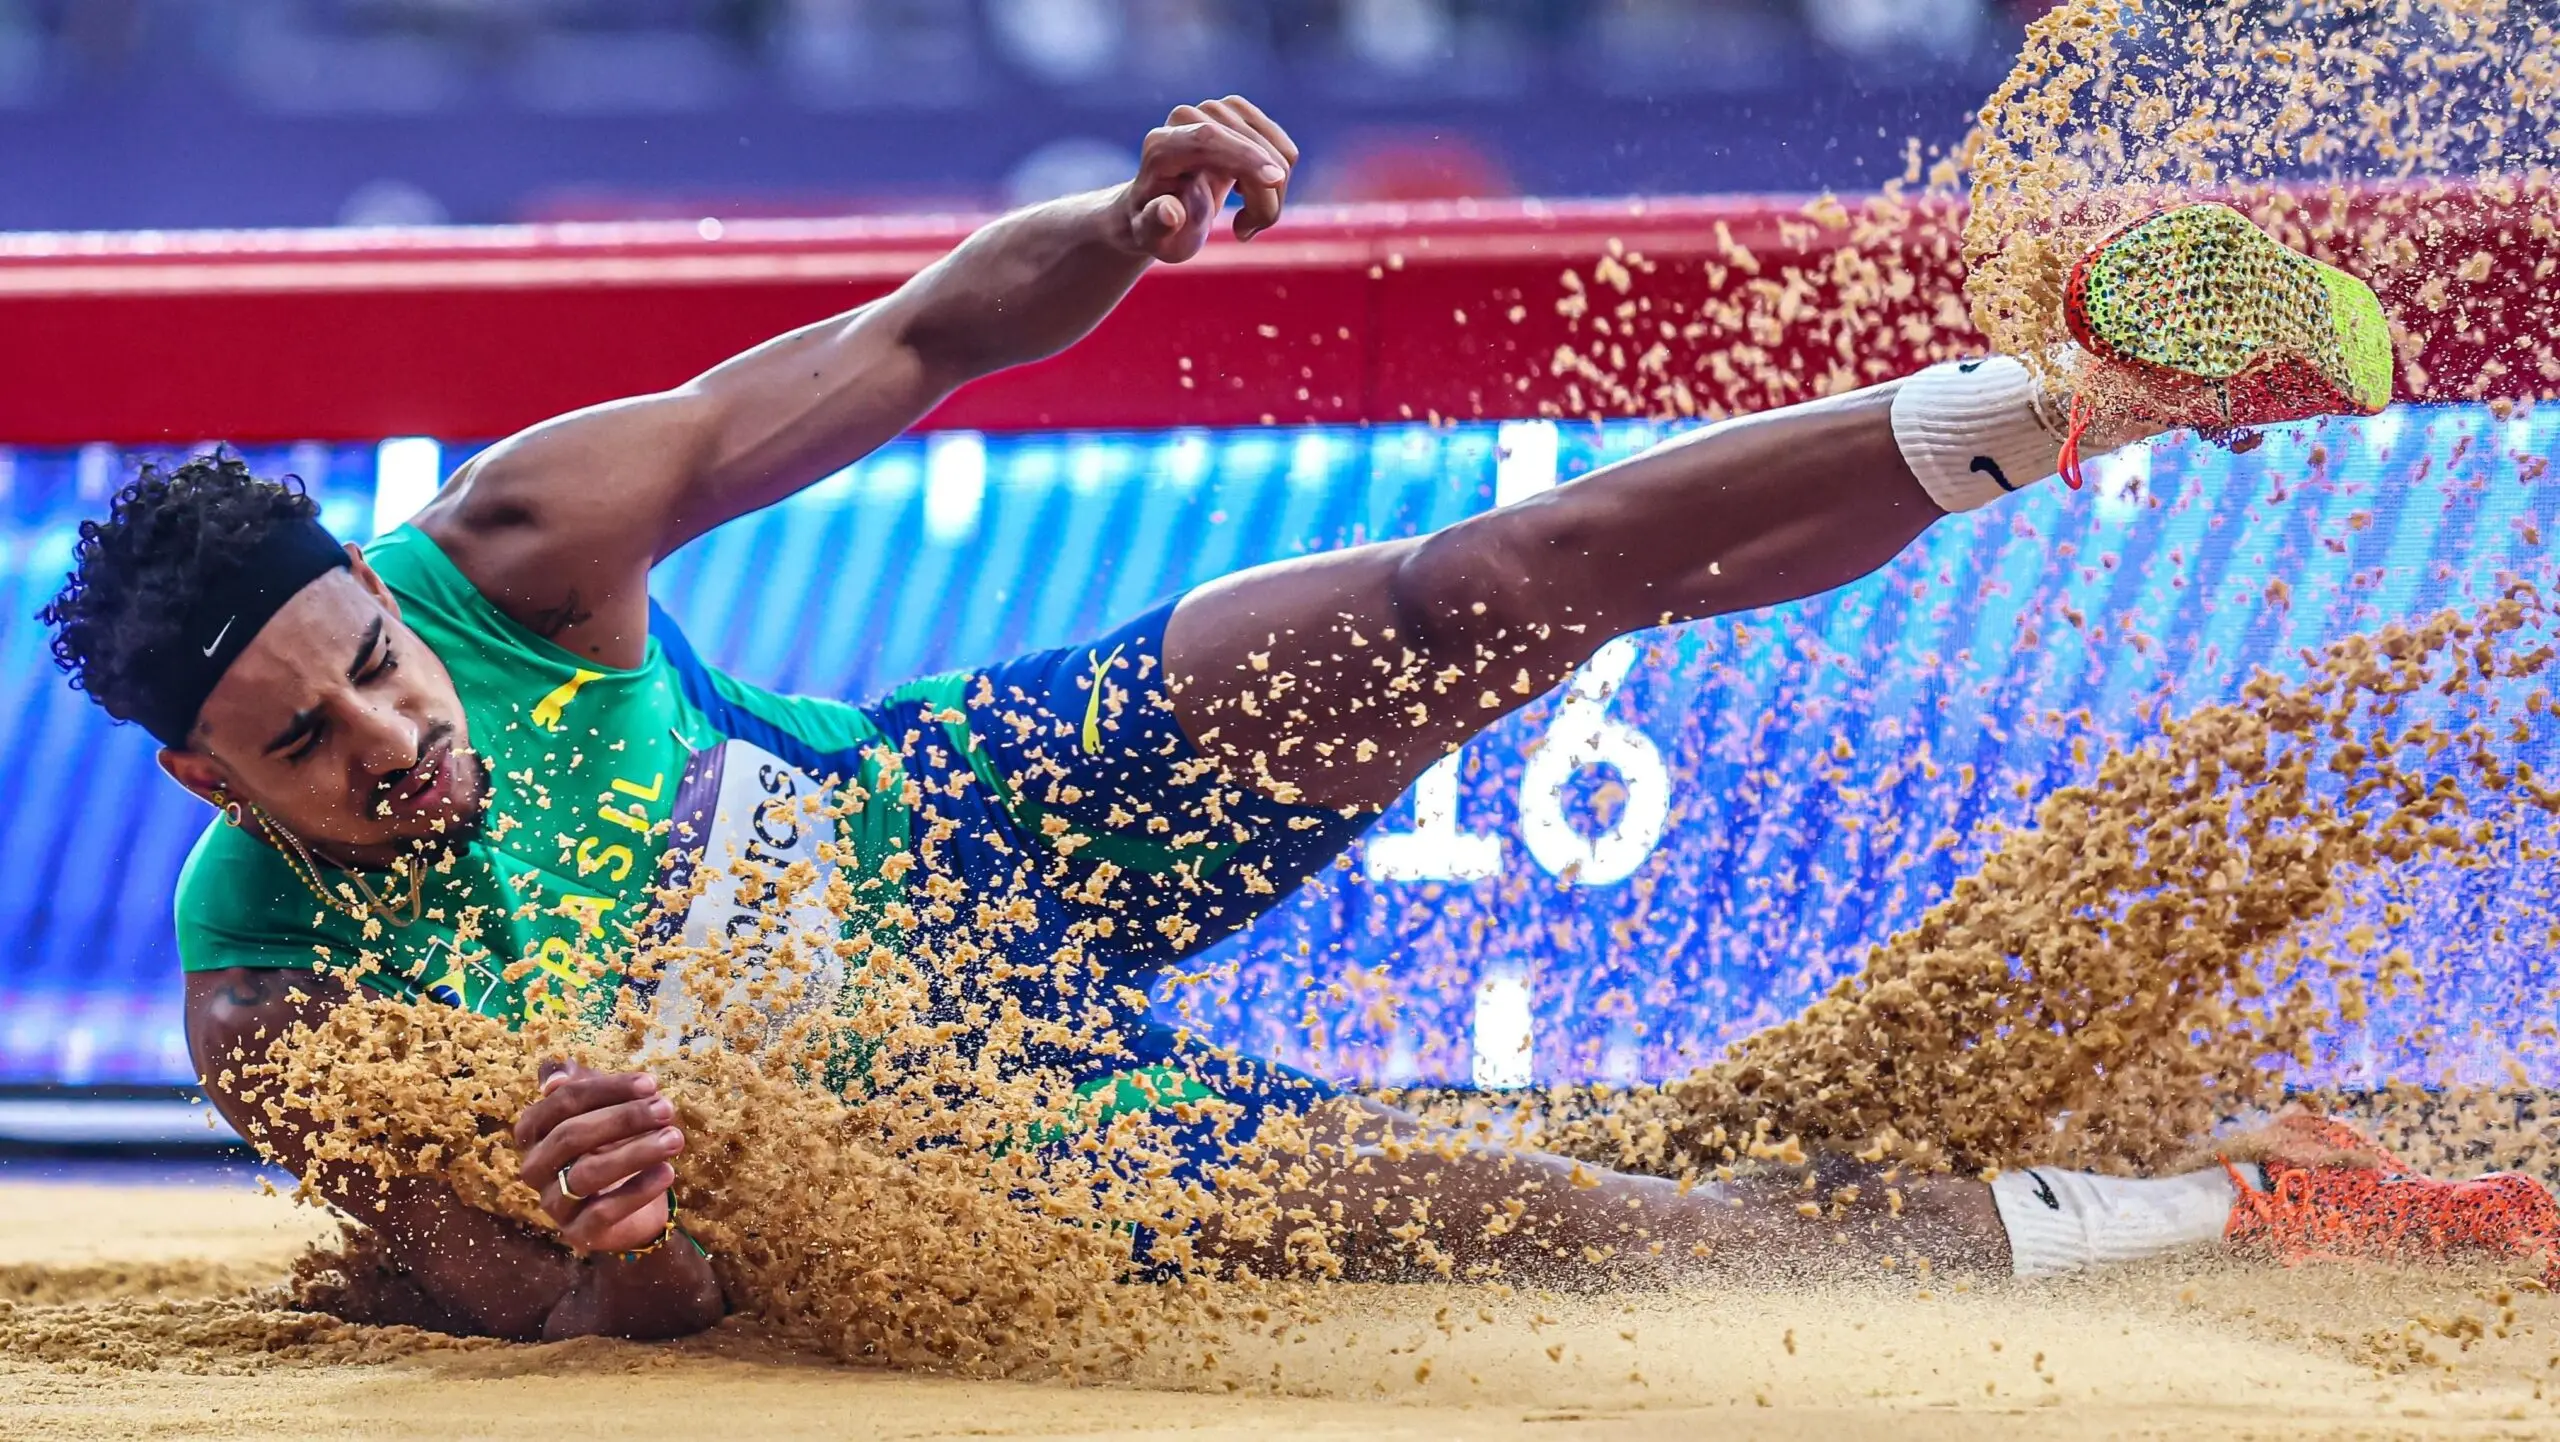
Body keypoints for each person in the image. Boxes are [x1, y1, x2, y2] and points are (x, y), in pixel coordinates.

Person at [41, 100, 2558, 1342]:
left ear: (377, 592)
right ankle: (2248, 1200)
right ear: (204, 784)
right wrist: (638, 1236)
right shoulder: (277, 999)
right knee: (1619, 1244)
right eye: (308, 744)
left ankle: (2103, 394)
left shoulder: (504, 554)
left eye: (364, 665)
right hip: (965, 1144)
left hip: (958, 826)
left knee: (1488, 583)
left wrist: (1112, 241)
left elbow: (914, 337)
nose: (386, 742)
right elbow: (573, 1317)